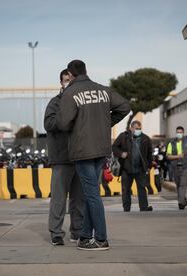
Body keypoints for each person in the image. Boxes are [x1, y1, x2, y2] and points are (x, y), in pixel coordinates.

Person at [57, 60, 130, 251]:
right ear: (86, 71)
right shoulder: (103, 90)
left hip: (82, 150)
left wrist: (78, 126)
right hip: (101, 149)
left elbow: (63, 124)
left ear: (71, 75)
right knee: (91, 194)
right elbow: (124, 107)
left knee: (92, 195)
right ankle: (84, 236)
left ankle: (101, 238)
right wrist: (107, 123)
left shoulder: (70, 93)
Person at [44, 69, 84, 246]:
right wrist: (67, 118)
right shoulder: (55, 102)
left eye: (71, 80)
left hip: (80, 156)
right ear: (61, 83)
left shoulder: (80, 101)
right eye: (65, 80)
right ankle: (56, 233)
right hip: (61, 158)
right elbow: (49, 124)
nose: (68, 83)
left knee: (79, 199)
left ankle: (77, 231)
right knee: (59, 198)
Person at [112, 120, 153, 212]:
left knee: (142, 189)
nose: (138, 130)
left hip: (140, 169)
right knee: (126, 190)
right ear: (131, 128)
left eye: (139, 128)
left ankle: (144, 208)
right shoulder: (124, 136)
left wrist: (149, 166)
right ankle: (126, 208)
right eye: (136, 128)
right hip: (126, 169)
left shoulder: (145, 139)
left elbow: (149, 154)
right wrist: (121, 153)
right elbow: (114, 147)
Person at [166, 126, 187, 210]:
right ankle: (183, 201)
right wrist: (178, 156)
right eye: (178, 132)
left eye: (180, 132)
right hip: (175, 167)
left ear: (183, 133)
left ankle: (180, 202)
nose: (179, 134)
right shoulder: (171, 143)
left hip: (186, 166)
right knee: (178, 185)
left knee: (183, 185)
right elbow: (168, 156)